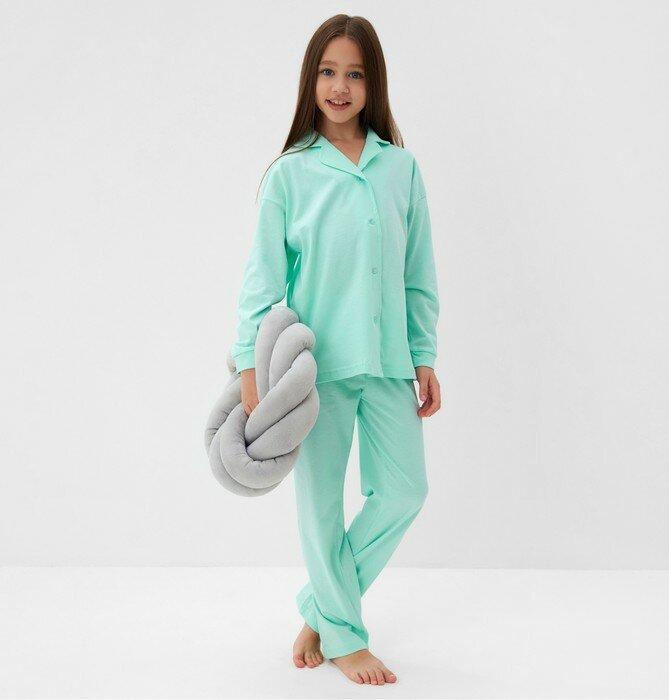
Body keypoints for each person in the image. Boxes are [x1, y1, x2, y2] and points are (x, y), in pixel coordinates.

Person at [231, 14, 441, 686]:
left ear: (374, 83)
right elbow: (261, 280)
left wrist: (424, 354)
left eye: (354, 73)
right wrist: (248, 365)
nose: (340, 86)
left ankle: (321, 608)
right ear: (310, 80)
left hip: (388, 363)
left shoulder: (401, 169)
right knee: (319, 505)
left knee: (405, 491)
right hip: (312, 372)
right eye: (328, 71)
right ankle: (345, 635)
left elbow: (417, 272)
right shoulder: (290, 174)